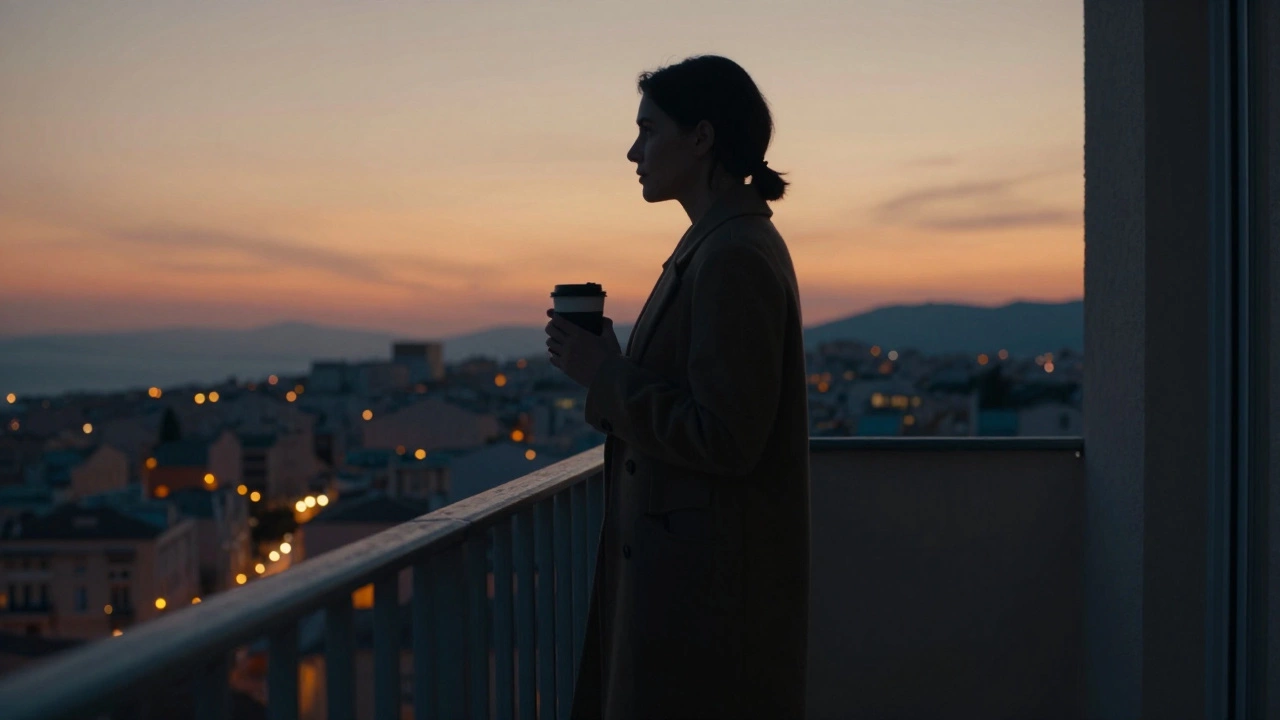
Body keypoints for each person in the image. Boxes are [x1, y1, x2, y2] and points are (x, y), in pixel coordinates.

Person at [544, 54, 811, 720]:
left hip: (705, 607)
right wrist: (612, 367)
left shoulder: (732, 256)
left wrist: (604, 377)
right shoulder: (718, 244)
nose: (633, 151)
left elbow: (725, 436)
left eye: (649, 130)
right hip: (696, 595)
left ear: (701, 137)